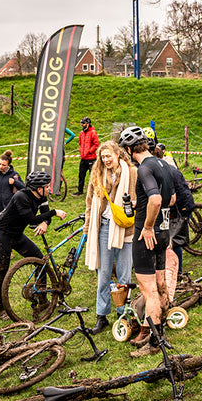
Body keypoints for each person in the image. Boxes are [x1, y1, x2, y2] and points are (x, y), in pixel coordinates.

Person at [120, 125, 174, 357]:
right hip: (164, 231)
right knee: (161, 285)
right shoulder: (163, 163)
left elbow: (156, 199)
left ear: (131, 149)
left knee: (148, 290)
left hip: (147, 235)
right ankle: (160, 333)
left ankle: (154, 343)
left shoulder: (144, 168)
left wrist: (148, 225)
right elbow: (170, 199)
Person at [0, 170, 65, 320]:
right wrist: (53, 213)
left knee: (40, 261)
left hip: (17, 234)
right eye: (47, 186)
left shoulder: (42, 197)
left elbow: (43, 215)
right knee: (1, 271)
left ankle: (43, 300)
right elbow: (31, 219)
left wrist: (45, 222)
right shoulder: (21, 197)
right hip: (3, 234)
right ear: (39, 189)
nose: (49, 188)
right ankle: (2, 309)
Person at [82, 140, 136, 335]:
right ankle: (101, 315)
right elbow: (89, 202)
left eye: (109, 156)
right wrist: (88, 226)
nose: (106, 160)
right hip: (103, 227)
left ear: (118, 155)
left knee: (124, 275)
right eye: (102, 157)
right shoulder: (97, 173)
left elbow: (137, 196)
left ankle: (124, 314)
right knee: (104, 274)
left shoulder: (131, 172)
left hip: (125, 228)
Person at [155, 141, 194, 298]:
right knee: (170, 241)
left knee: (174, 241)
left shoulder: (168, 172)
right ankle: (172, 270)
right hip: (175, 209)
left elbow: (179, 194)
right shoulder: (163, 170)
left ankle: (178, 272)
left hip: (179, 209)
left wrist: (183, 212)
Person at [76, 116, 100, 196]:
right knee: (81, 175)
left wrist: (90, 151)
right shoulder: (81, 133)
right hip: (83, 158)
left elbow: (96, 144)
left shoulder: (93, 132)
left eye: (83, 123)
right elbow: (80, 143)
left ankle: (94, 192)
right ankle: (80, 191)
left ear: (88, 124)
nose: (82, 125)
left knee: (93, 176)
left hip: (91, 158)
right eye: (81, 123)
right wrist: (81, 151)